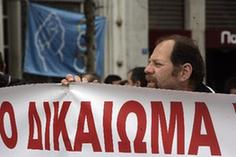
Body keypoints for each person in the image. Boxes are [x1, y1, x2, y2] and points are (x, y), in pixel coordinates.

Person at [145, 35, 214, 92]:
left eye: (158, 64)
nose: (147, 69)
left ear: (184, 72)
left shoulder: (215, 106)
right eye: (149, 62)